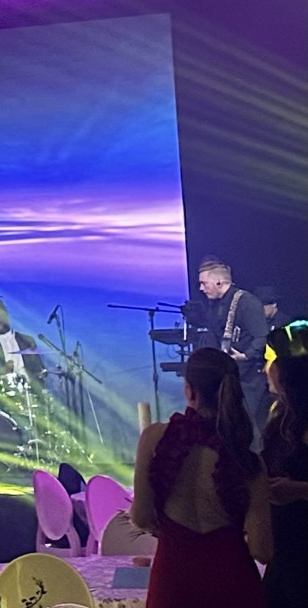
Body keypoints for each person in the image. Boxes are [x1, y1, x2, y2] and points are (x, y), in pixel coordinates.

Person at [132, 348, 271, 608]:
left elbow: (140, 517)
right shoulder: (247, 461)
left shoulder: (153, 439)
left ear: (189, 391)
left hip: (173, 582)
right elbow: (262, 550)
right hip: (233, 584)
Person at [197, 259, 272, 435]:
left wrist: (246, 355)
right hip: (229, 377)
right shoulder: (215, 306)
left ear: (218, 282)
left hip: (249, 379)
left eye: (204, 283)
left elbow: (262, 336)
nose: (201, 288)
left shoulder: (247, 302)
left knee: (250, 428)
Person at [262, 323, 308, 608]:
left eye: (271, 361)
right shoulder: (281, 415)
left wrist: (299, 489)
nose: (265, 369)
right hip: (284, 550)